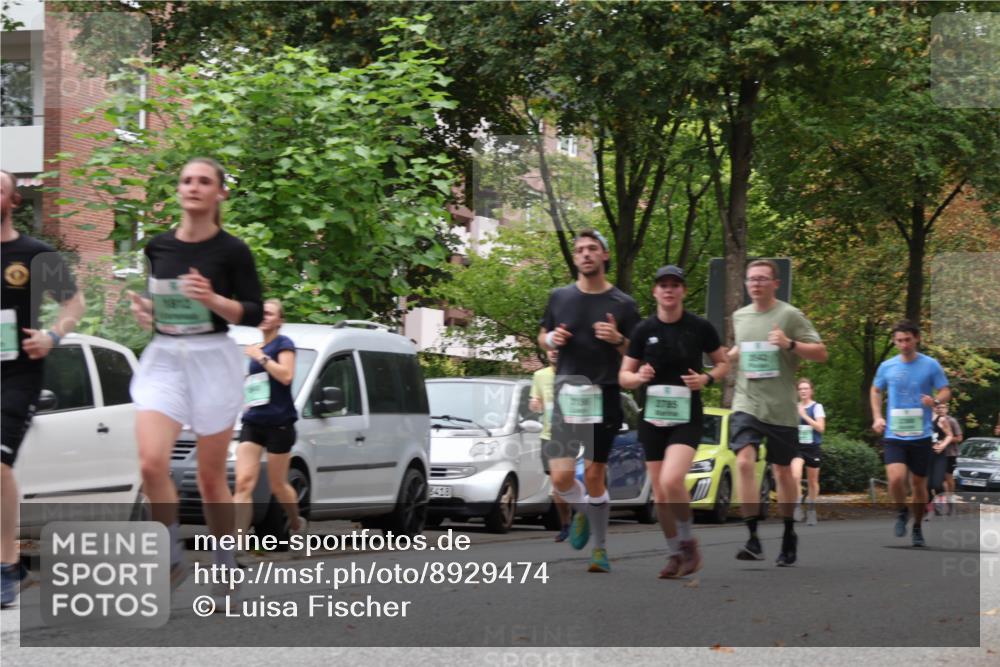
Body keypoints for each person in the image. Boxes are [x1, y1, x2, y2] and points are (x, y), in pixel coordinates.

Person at [127, 158, 263, 609]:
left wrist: (213, 299)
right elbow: (159, 304)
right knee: (150, 465)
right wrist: (147, 312)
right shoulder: (158, 247)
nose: (193, 187)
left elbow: (254, 312)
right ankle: (169, 556)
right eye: (187, 180)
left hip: (212, 358)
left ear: (220, 193)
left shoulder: (233, 251)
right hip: (166, 356)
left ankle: (225, 562)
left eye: (204, 181)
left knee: (208, 478)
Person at [1, 170, 85, 608]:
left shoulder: (33, 254)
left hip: (17, 374)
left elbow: (74, 303)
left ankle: (6, 566)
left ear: (13, 200)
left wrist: (52, 336)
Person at [538, 229, 640, 573]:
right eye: (580, 249)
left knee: (596, 474)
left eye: (592, 249)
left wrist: (618, 339)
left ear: (605, 256)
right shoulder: (559, 297)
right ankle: (583, 511)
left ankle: (600, 549)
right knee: (561, 478)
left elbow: (636, 353)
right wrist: (551, 337)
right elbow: (543, 336)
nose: (585, 254)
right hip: (568, 394)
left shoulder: (623, 304)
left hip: (605, 392)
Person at [619, 265, 729, 578]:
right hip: (653, 417)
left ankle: (688, 545)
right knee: (660, 493)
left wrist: (706, 379)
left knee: (671, 480)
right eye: (663, 285)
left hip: (686, 417)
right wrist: (638, 376)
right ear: (655, 291)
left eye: (675, 285)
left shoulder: (699, 327)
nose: (669, 290)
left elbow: (723, 364)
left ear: (682, 291)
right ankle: (674, 554)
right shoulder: (643, 330)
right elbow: (624, 376)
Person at [728, 259, 827, 566]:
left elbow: (822, 353)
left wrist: (789, 343)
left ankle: (787, 532)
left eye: (762, 279)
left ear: (775, 283)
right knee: (744, 461)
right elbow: (739, 351)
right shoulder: (738, 316)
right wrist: (721, 359)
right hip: (747, 402)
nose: (755, 284)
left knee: (782, 472)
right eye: (751, 279)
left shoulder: (789, 314)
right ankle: (753, 536)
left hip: (781, 407)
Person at [870, 319, 950, 547]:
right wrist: (877, 416)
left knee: (918, 485)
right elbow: (875, 390)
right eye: (899, 341)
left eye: (907, 340)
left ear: (917, 339)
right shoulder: (887, 366)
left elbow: (945, 390)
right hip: (895, 434)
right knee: (895, 479)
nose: (903, 344)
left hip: (921, 435)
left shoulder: (930, 365)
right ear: (895, 342)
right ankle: (901, 511)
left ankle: (917, 527)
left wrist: (934, 400)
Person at [233, 299, 301, 540]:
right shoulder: (256, 348)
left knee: (277, 486)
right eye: (262, 313)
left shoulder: (284, 344)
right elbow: (257, 386)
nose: (264, 316)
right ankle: (236, 541)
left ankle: (294, 520)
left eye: (270, 314)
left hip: (279, 424)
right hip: (254, 422)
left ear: (279, 321)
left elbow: (286, 376)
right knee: (243, 482)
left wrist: (260, 356)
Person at [529, 348, 573, 541]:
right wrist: (534, 404)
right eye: (550, 348)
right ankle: (566, 523)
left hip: (572, 435)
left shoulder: (574, 373)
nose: (553, 352)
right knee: (557, 484)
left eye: (558, 349)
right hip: (548, 435)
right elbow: (535, 399)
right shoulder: (539, 375)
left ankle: (578, 515)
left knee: (568, 481)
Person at [791, 378, 825, 526]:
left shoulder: (817, 407)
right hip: (798, 447)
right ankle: (798, 506)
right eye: (801, 389)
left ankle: (811, 510)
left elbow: (821, 428)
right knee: (795, 476)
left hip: (813, 447)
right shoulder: (794, 407)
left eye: (806, 388)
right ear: (797, 392)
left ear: (811, 391)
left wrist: (804, 416)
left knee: (812, 481)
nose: (803, 391)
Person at [930, 402, 962, 516]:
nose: (940, 409)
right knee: (939, 480)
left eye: (943, 407)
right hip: (937, 454)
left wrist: (945, 440)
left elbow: (959, 438)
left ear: (947, 409)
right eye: (938, 407)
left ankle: (951, 503)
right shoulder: (934, 421)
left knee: (948, 478)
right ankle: (940, 504)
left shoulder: (951, 421)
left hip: (950, 453)